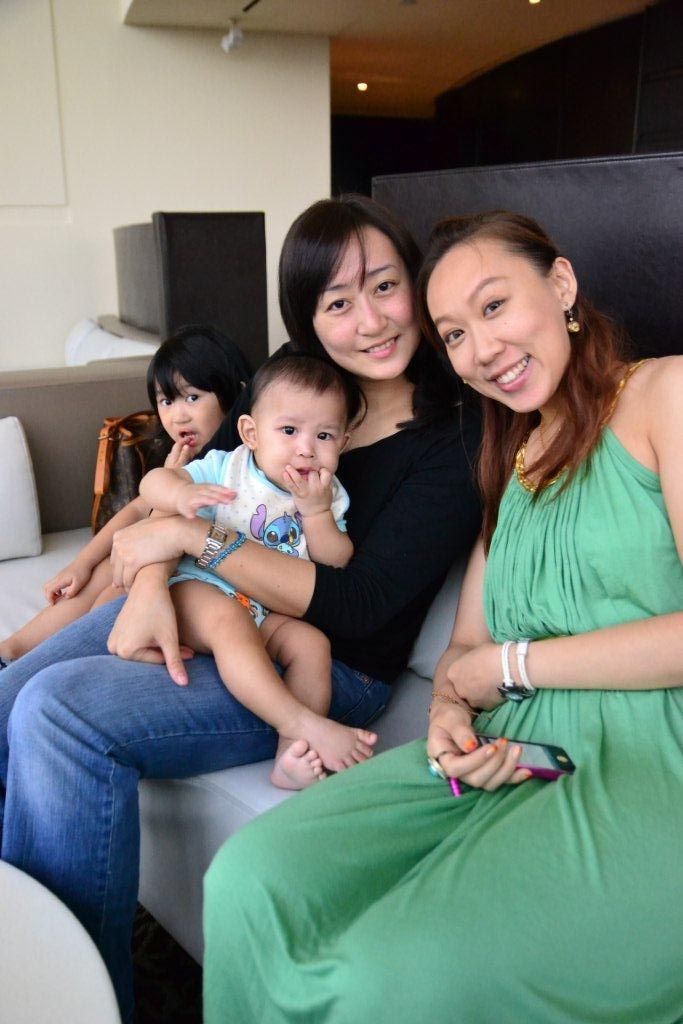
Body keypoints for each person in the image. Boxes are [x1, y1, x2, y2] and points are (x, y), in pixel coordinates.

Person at [0, 194, 481, 1024]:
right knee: (8, 694)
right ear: (306, 318)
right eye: (336, 302)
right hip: (203, 604)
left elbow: (361, 606)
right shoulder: (297, 388)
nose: (368, 321)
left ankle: (66, 1000)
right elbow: (192, 489)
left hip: (322, 661)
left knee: (55, 712)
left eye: (384, 286)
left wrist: (190, 544)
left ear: (417, 284)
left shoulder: (454, 441)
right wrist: (149, 580)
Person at [202, 211, 683, 1024]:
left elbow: (489, 659)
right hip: (508, 748)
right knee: (249, 880)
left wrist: (506, 668)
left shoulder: (663, 394)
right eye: (454, 334)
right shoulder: (510, 456)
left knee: (384, 976)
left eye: (494, 307)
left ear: (560, 284)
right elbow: (462, 650)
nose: (480, 349)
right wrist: (448, 717)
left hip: (651, 766)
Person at [141, 352, 378, 789]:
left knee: (312, 645)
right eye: (289, 431)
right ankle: (300, 722)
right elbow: (152, 482)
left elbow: (336, 561)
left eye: (324, 435)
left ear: (343, 442)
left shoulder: (327, 494)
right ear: (251, 433)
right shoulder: (226, 467)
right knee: (229, 622)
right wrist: (179, 496)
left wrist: (317, 514)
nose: (306, 448)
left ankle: (291, 756)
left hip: (267, 608)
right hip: (199, 589)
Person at [0, 325, 249, 669]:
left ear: (234, 394)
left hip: (206, 579)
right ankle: (11, 651)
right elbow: (136, 511)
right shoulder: (184, 459)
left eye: (193, 397)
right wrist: (81, 563)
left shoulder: (239, 464)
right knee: (102, 573)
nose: (178, 415)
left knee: (114, 590)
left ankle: (44, 667)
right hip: (165, 563)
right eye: (166, 401)